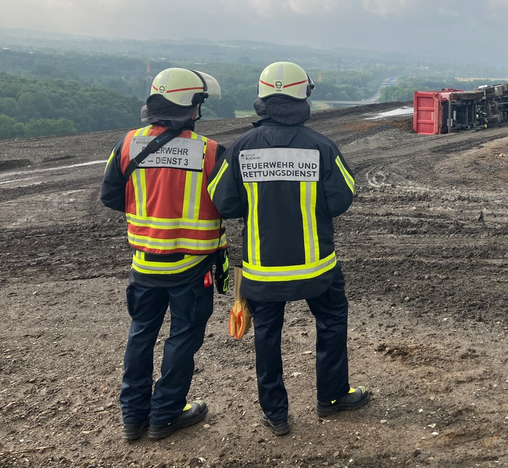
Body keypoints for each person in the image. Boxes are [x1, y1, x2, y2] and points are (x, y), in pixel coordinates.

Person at [207, 61, 369, 437]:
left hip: (262, 270)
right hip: (317, 268)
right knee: (331, 322)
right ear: (303, 97)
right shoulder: (322, 147)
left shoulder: (241, 149)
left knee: (266, 334)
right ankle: (331, 397)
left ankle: (276, 414)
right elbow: (342, 198)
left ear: (262, 98)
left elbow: (223, 202)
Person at [100, 67, 229, 441]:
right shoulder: (209, 152)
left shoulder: (127, 145)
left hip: (144, 264)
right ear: (191, 106)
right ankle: (166, 415)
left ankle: (133, 417)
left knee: (141, 333)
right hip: (192, 266)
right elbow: (230, 203)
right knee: (182, 338)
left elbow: (110, 196)